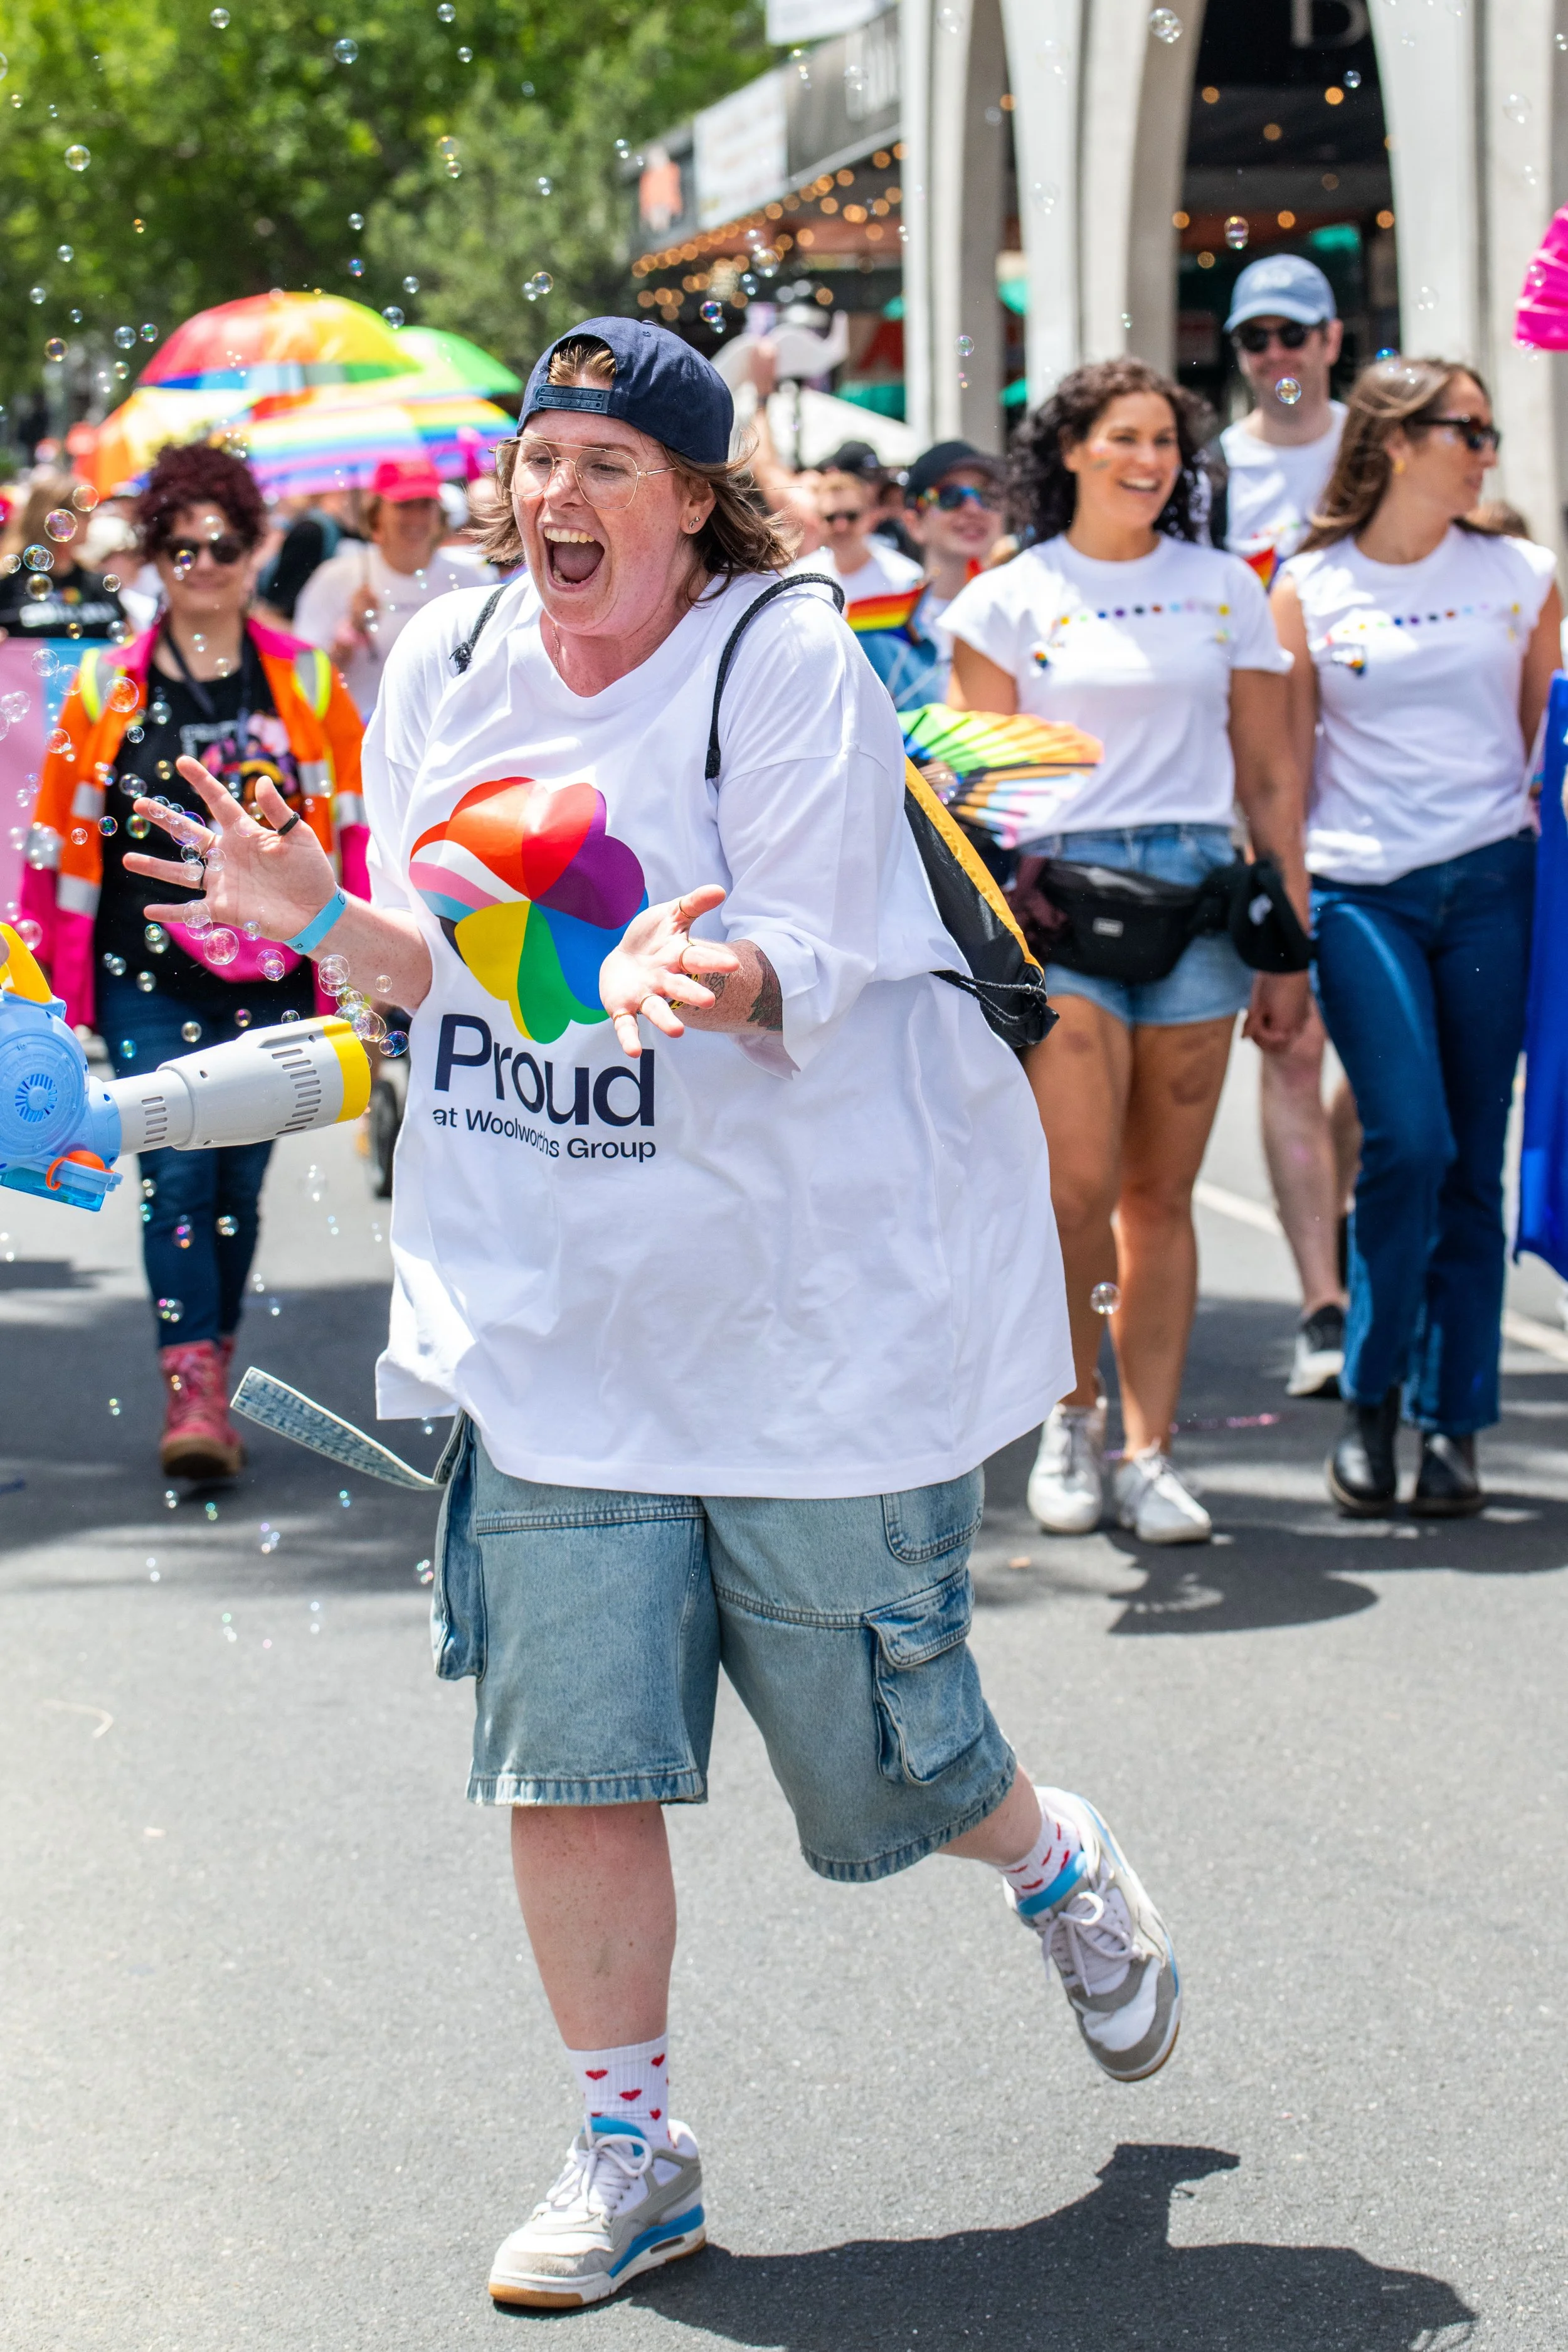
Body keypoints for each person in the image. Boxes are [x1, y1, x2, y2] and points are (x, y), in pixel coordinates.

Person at [122, 315, 1180, 2309]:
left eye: (611, 463)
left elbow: (818, 942)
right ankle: (631, 2143)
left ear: (692, 502)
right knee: (570, 1752)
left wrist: (725, 986)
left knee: (887, 1773)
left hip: (793, 1314)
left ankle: (1050, 1859)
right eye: (544, 458)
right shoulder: (436, 653)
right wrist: (309, 918)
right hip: (550, 1314)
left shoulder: (778, 660)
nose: (557, 495)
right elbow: (431, 961)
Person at [943, 357, 1310, 1545]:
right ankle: (1070, 1415)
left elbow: (1267, 774)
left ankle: (1151, 1454)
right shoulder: (1006, 597)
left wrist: (1287, 937)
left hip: (1199, 898)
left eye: (1166, 442)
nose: (1149, 461)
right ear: (1069, 451)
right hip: (1063, 903)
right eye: (1124, 439)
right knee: (1075, 1188)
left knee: (1161, 1195)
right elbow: (973, 797)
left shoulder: (1224, 588)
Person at [21, 442, 366, 1481]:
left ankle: (211, 1355)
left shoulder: (304, 679)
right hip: (145, 976)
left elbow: (350, 837)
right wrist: (42, 997)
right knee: (176, 1174)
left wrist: (354, 978)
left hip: (273, 978)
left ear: (254, 549)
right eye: (181, 546)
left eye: (222, 544)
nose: (203, 563)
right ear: (156, 556)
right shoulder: (103, 692)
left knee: (240, 1184)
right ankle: (193, 1391)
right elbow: (53, 847)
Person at [1271, 356, 1561, 1516]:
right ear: (1398, 442)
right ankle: (1371, 1398)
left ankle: (1454, 1427)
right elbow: (1285, 778)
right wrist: (1284, 938)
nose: (1487, 449)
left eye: (1490, 431)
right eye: (1467, 429)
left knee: (1472, 1163)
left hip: (1496, 880)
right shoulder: (1309, 585)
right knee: (1412, 1143)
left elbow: (1554, 747)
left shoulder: (1523, 573)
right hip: (1361, 893)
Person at [1211, 253, 1357, 1402]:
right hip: (1261, 788)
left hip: (1382, 786)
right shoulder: (1212, 471)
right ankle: (1322, 1299)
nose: (1276, 357)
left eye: (1293, 336)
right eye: (1256, 338)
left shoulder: (1378, 447)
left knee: (1376, 1076)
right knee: (1292, 1040)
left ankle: (1344, 1212)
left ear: (1331, 341)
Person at [293, 455, 494, 718]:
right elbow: (304, 679)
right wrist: (350, 634)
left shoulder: (472, 581)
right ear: (376, 514)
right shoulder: (335, 579)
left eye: (426, 505)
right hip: (359, 740)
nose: (416, 517)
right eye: (404, 505)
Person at [853, 438, 1007, 710]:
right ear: (914, 524)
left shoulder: (1028, 616)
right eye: (950, 497)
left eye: (987, 496)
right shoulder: (874, 632)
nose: (973, 508)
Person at [0, 472, 128, 644]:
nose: (91, 519)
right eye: (83, 513)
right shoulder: (8, 584)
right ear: (56, 520)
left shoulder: (98, 583)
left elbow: (128, 639)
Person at [792, 443, 923, 603]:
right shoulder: (797, 581)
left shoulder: (905, 579)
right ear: (818, 521)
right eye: (831, 517)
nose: (841, 525)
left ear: (870, 517)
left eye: (851, 516)